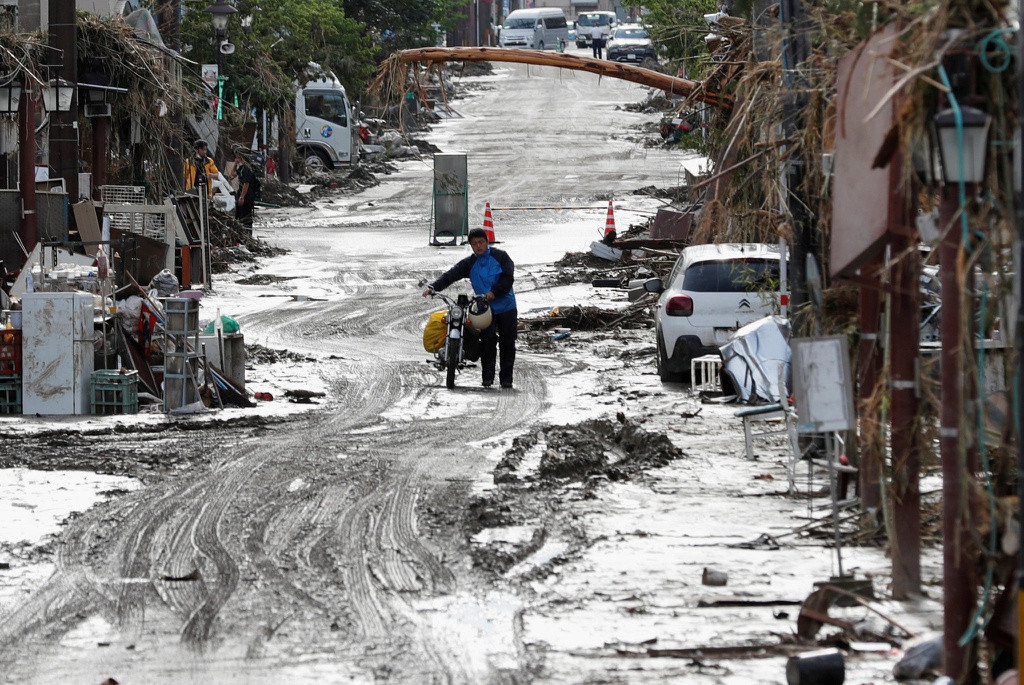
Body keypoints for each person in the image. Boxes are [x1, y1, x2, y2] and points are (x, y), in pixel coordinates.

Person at [423, 228, 518, 389]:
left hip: (506, 306)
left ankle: (506, 379)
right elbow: (451, 275)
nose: (478, 246)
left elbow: (508, 278)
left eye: (481, 242)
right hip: (484, 310)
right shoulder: (470, 263)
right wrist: (434, 287)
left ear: (487, 242)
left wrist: (494, 292)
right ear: (471, 246)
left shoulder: (501, 257)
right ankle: (487, 378)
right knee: (487, 342)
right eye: (474, 244)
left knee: (507, 343)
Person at [233, 148, 258, 229]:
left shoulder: (247, 169)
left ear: (241, 157)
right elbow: (232, 174)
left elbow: (246, 183)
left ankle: (246, 235)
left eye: (237, 157)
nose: (236, 159)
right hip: (242, 194)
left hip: (246, 197)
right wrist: (235, 164)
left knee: (245, 218)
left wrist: (242, 197)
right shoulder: (242, 168)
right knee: (239, 216)